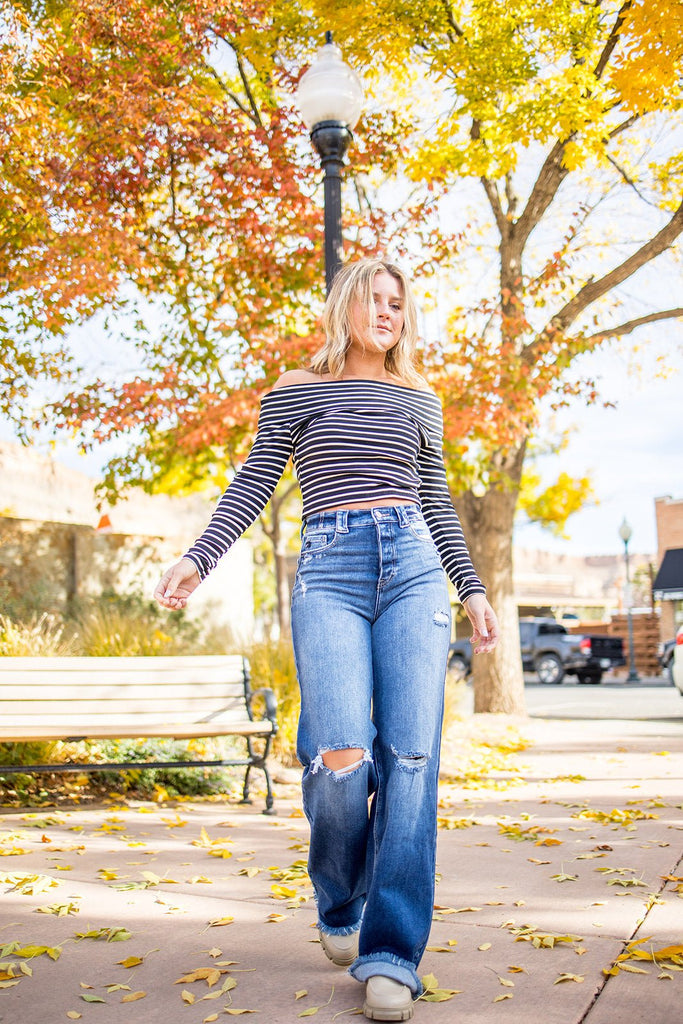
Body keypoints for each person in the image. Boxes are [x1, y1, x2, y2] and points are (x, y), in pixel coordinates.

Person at [154, 257, 499, 1021]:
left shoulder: (419, 399)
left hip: (412, 569)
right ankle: (339, 893)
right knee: (341, 758)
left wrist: (471, 588)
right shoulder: (296, 391)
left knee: (410, 760)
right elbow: (252, 484)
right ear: (345, 304)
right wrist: (196, 557)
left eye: (398, 303)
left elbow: (436, 501)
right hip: (330, 570)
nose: (387, 312)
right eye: (375, 299)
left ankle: (391, 955)